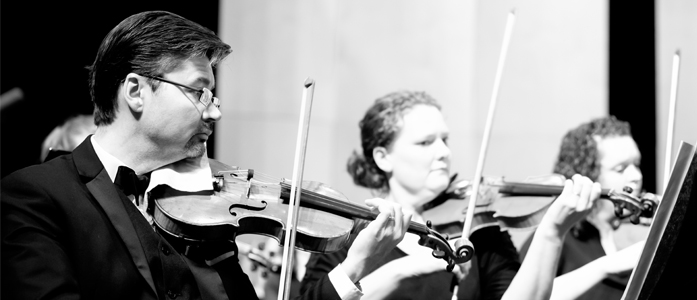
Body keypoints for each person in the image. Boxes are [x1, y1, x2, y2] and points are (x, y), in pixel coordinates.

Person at [1, 11, 411, 300]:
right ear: (136, 91)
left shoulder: (202, 208)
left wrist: (352, 266)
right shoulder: (33, 197)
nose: (215, 110)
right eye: (200, 92)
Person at [300, 90, 602, 300]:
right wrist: (407, 269)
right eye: (425, 143)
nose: (444, 152)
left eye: (445, 140)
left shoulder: (477, 229)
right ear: (383, 158)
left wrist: (552, 233)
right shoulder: (348, 239)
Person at [518, 116, 655, 300]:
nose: (636, 175)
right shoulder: (555, 240)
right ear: (588, 175)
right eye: (620, 168)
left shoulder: (636, 231)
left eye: (636, 164)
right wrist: (605, 266)